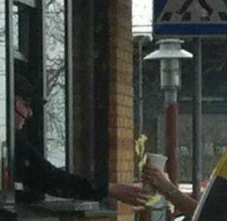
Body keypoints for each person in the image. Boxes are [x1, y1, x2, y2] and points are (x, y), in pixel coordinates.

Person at [14, 74, 151, 207]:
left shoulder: (16, 144)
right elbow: (50, 178)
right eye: (26, 105)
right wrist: (109, 190)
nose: (30, 113)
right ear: (9, 103)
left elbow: (47, 177)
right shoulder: (14, 145)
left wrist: (107, 189)